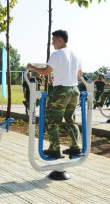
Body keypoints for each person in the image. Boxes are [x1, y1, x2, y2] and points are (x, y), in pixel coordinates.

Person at [27, 29, 82, 158]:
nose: (52, 43)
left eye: (53, 40)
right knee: (70, 119)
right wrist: (64, 75)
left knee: (52, 120)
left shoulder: (57, 54)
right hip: (74, 90)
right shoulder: (75, 54)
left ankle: (55, 149)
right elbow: (79, 74)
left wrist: (31, 66)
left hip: (61, 91)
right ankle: (76, 146)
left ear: (60, 40)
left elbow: (45, 72)